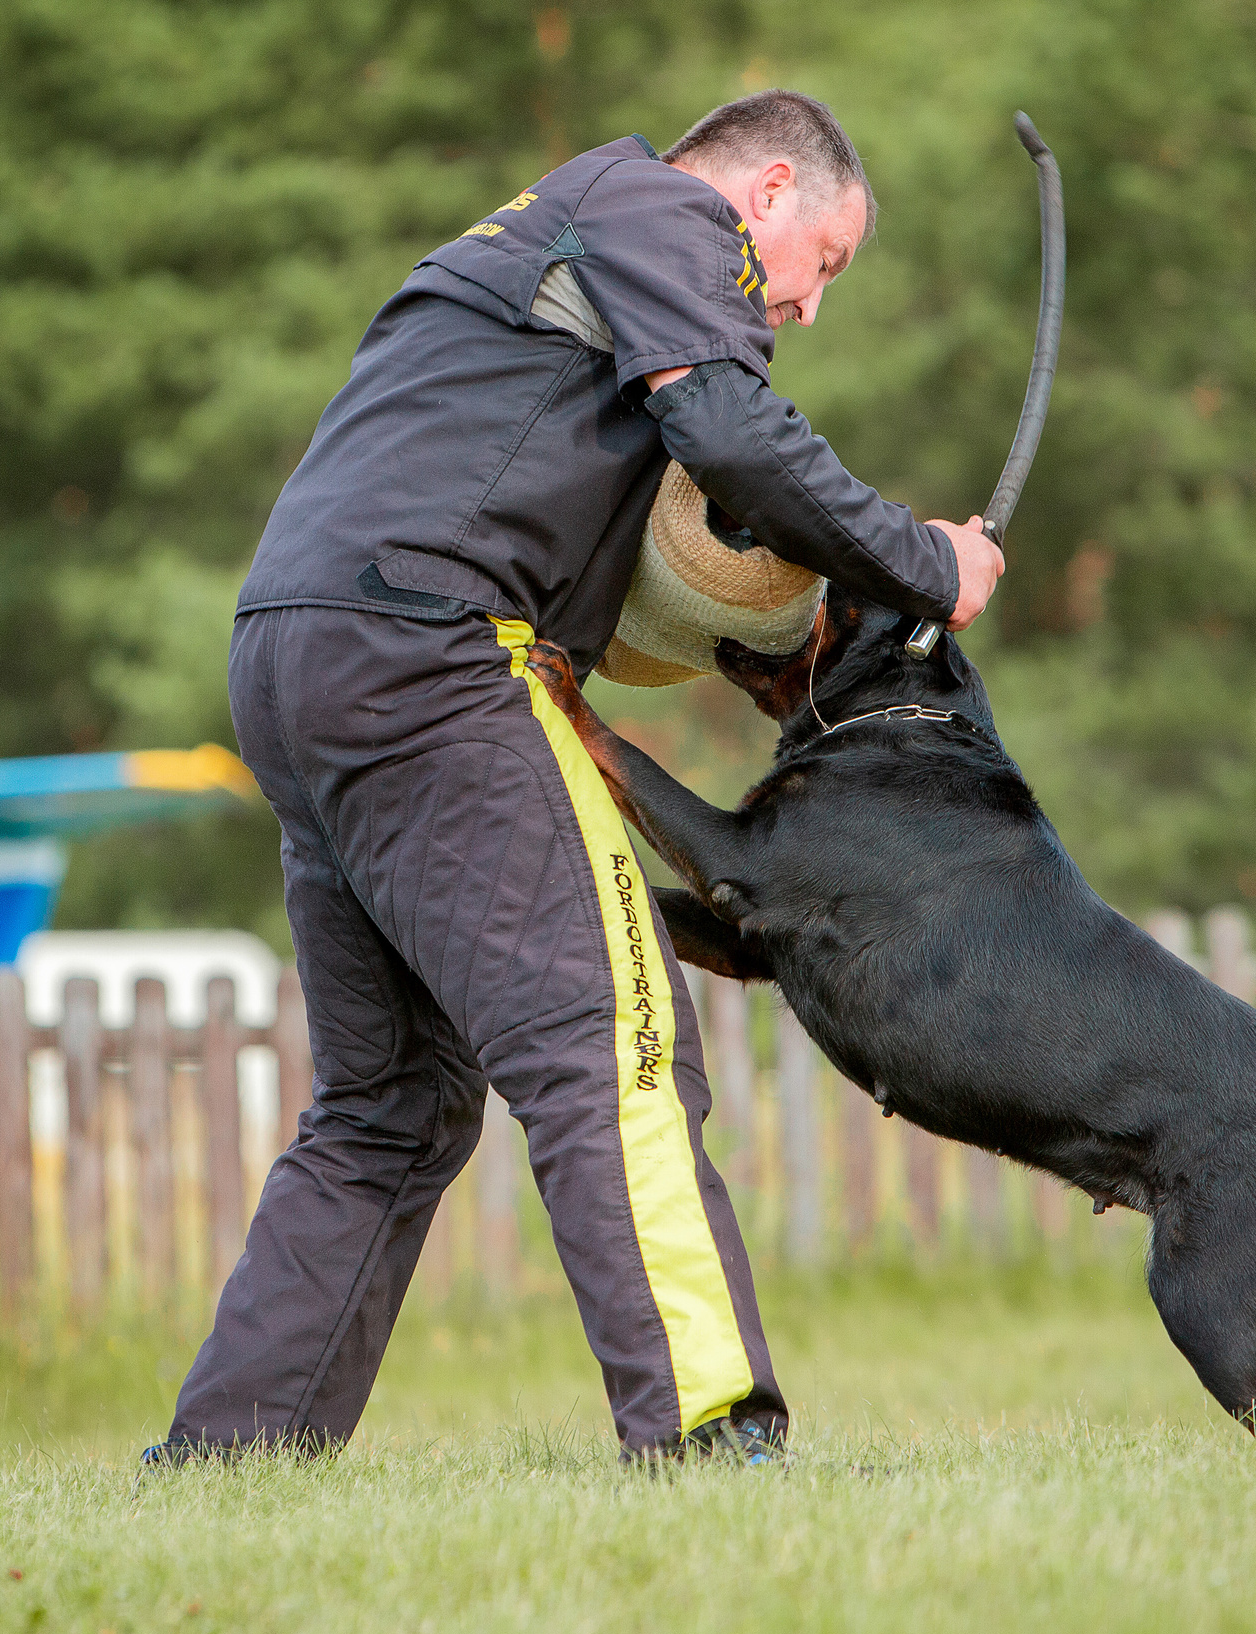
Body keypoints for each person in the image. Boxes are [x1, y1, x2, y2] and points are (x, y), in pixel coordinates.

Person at [148, 89, 1004, 1467]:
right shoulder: (667, 213)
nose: (806, 304)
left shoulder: (547, 227)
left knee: (391, 1105)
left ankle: (229, 1463)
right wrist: (926, 561)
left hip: (298, 649)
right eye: (824, 261)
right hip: (431, 650)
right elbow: (735, 440)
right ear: (767, 193)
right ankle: (710, 1432)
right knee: (619, 1042)